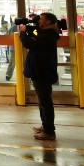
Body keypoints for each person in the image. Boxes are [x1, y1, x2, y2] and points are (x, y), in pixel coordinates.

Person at [20, 12, 61, 141]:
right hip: (41, 71)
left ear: (48, 22)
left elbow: (29, 44)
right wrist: (30, 31)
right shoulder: (47, 34)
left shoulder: (48, 35)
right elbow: (36, 42)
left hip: (42, 72)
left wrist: (23, 32)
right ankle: (45, 126)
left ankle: (49, 131)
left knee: (45, 102)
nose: (38, 21)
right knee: (42, 102)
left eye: (41, 19)